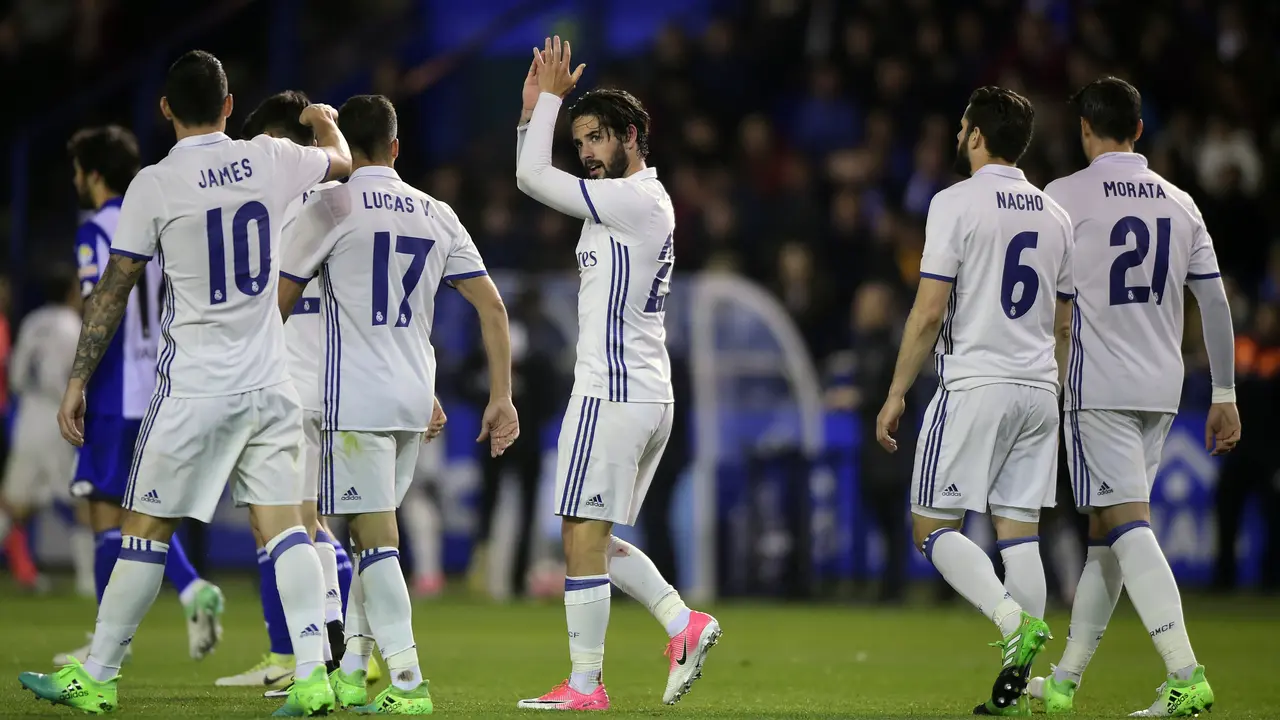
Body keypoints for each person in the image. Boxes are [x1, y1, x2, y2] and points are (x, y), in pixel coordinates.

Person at [17, 49, 353, 716]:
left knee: (143, 530)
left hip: (194, 386)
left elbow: (113, 291)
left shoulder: (153, 184)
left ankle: (100, 674)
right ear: (229, 105)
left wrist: (77, 378)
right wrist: (324, 119)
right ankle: (314, 673)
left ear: (165, 108)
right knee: (287, 530)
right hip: (268, 382)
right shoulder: (270, 157)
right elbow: (341, 161)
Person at [278, 93, 518, 714]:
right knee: (366, 541)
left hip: (354, 400)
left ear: (347, 153)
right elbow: (492, 306)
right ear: (396, 146)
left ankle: (409, 684)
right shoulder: (437, 212)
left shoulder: (331, 204)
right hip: (416, 398)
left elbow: (281, 299)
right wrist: (501, 398)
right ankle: (355, 670)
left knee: (376, 542)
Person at [514, 37, 720, 711]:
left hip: (614, 391)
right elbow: (538, 174)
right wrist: (532, 119)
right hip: (639, 389)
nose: (588, 154)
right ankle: (681, 624)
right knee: (590, 535)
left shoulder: (635, 200)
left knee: (580, 533)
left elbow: (529, 179)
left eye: (598, 138)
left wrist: (544, 104)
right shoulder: (628, 201)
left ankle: (585, 683)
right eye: (580, 143)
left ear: (633, 137)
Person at [1027, 76, 1239, 717]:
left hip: (1097, 387)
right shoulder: (1181, 203)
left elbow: (1044, 300)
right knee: (1106, 534)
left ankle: (1185, 673)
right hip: (1163, 387)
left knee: (1126, 525)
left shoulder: (1063, 196)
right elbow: (1216, 303)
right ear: (1139, 130)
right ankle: (1064, 680)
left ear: (1085, 130)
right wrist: (1225, 392)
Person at [874, 86, 1073, 715]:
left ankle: (1013, 621)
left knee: (931, 528)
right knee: (1020, 537)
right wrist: (1055, 390)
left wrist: (897, 392)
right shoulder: (1054, 214)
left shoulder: (953, 202)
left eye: (962, 129)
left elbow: (930, 309)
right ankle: (1016, 688)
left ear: (977, 136)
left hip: (975, 383)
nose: (958, 138)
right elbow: (1065, 325)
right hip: (1040, 387)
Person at [55, 124, 226, 667]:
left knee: (108, 518)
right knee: (142, 512)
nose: (77, 181)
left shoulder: (98, 229)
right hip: (162, 386)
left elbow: (100, 304)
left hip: (113, 391)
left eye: (79, 170)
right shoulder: (159, 218)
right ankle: (168, 602)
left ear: (94, 174)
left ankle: (116, 640)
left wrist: (78, 383)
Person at [215, 89, 364, 693]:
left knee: (284, 522)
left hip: (279, 371)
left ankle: (323, 645)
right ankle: (330, 646)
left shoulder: (269, 194)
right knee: (311, 521)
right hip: (332, 371)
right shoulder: (338, 200)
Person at [0, 265, 83, 589]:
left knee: (15, 501)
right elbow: (73, 377)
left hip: (27, 416)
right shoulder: (72, 325)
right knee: (83, 499)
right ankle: (89, 582)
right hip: (57, 417)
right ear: (70, 293)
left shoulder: (32, 322)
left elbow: (17, 375)